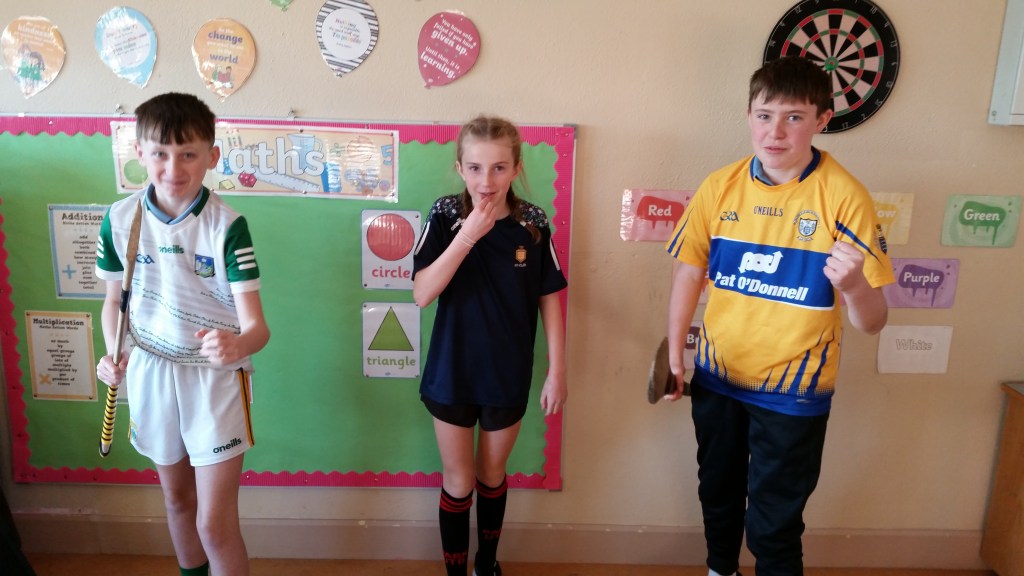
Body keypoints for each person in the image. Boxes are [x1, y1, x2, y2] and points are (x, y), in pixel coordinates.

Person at [664, 56, 895, 576]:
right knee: (717, 494)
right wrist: (675, 353)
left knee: (773, 522)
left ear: (822, 120)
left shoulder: (845, 197)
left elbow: (874, 321)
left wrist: (854, 285)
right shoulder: (719, 186)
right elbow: (688, 274)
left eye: (794, 117)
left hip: (795, 391)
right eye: (765, 115)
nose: (776, 131)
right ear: (749, 116)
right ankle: (720, 569)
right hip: (718, 377)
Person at [95, 92, 270, 576]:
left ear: (211, 157)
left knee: (213, 525)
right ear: (139, 152)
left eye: (188, 154)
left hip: (213, 380)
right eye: (160, 153)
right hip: (150, 370)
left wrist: (236, 344)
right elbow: (113, 304)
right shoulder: (118, 220)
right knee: (177, 502)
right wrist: (112, 353)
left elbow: (257, 329)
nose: (173, 168)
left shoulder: (228, 227)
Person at [412, 116, 568, 576]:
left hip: (506, 373)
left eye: (499, 168)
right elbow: (422, 293)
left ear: (517, 168)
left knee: (492, 475)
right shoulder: (444, 215)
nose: (487, 181)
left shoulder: (532, 223)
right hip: (451, 372)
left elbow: (549, 298)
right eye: (476, 168)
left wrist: (557, 371)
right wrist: (468, 235)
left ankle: (487, 564)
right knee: (458, 481)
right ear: (460, 168)